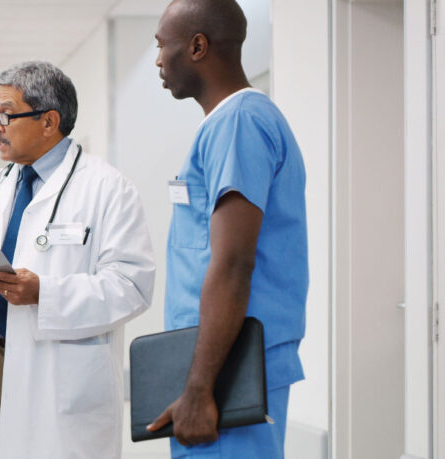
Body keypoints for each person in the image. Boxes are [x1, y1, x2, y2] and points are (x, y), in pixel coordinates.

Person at [0, 61, 156, 459]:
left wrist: (44, 293)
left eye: (6, 115)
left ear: (49, 121)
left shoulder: (107, 188)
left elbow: (132, 286)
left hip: (59, 373)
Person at [146, 1, 308, 457]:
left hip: (228, 376)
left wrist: (200, 389)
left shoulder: (240, 121)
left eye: (163, 46)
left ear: (198, 46)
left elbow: (234, 262)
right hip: (221, 368)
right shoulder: (229, 124)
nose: (158, 59)